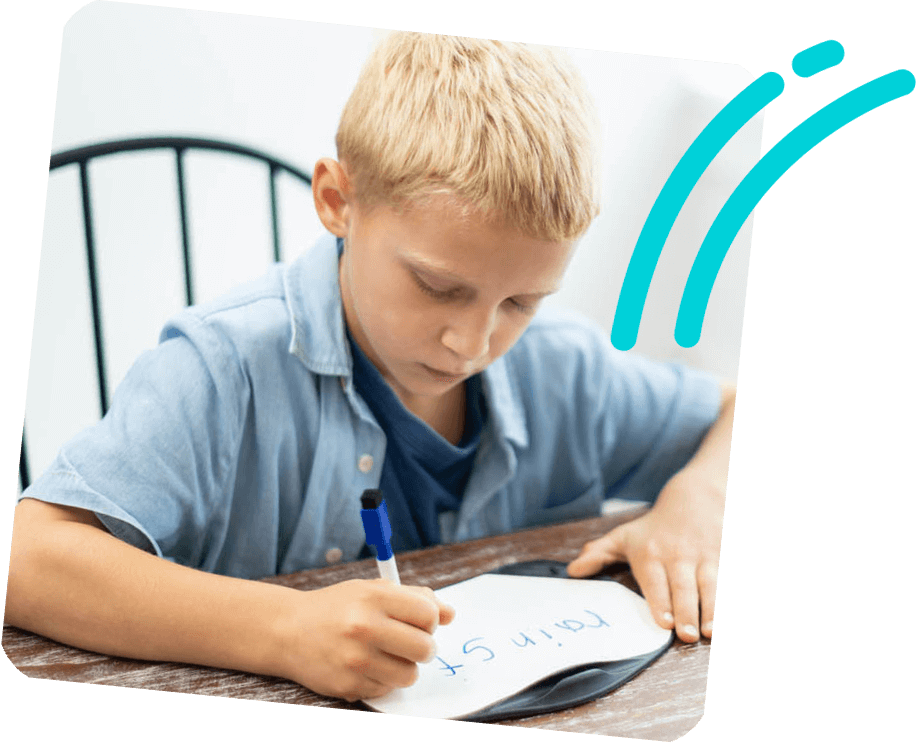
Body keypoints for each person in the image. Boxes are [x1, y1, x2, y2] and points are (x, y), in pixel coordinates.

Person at [8, 33, 735, 703]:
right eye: (438, 287)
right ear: (337, 202)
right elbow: (28, 556)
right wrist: (283, 630)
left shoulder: (564, 370)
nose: (471, 342)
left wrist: (697, 500)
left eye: (520, 301)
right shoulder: (224, 369)